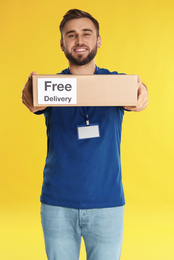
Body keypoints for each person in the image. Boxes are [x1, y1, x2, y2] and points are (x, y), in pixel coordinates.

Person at [22, 9, 148, 260]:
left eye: (86, 34)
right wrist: (29, 94)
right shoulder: (50, 86)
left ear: (98, 41)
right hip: (57, 203)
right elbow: (34, 98)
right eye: (72, 35)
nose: (79, 40)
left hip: (107, 203)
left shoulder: (115, 83)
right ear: (62, 44)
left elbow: (136, 89)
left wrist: (143, 90)